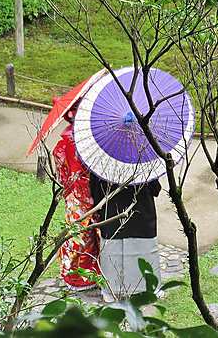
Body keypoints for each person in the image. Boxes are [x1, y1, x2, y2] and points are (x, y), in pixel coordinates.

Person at [90, 174, 161, 301]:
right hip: (142, 213)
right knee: (145, 252)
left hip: (112, 215)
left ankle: (111, 291)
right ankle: (148, 288)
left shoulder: (103, 165)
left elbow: (95, 193)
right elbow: (156, 189)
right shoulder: (142, 162)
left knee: (111, 254)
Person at [52, 103, 100, 290]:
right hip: (91, 192)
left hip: (75, 194)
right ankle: (86, 274)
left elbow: (61, 169)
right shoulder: (90, 138)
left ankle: (75, 274)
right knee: (91, 235)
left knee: (79, 235)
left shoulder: (64, 141)